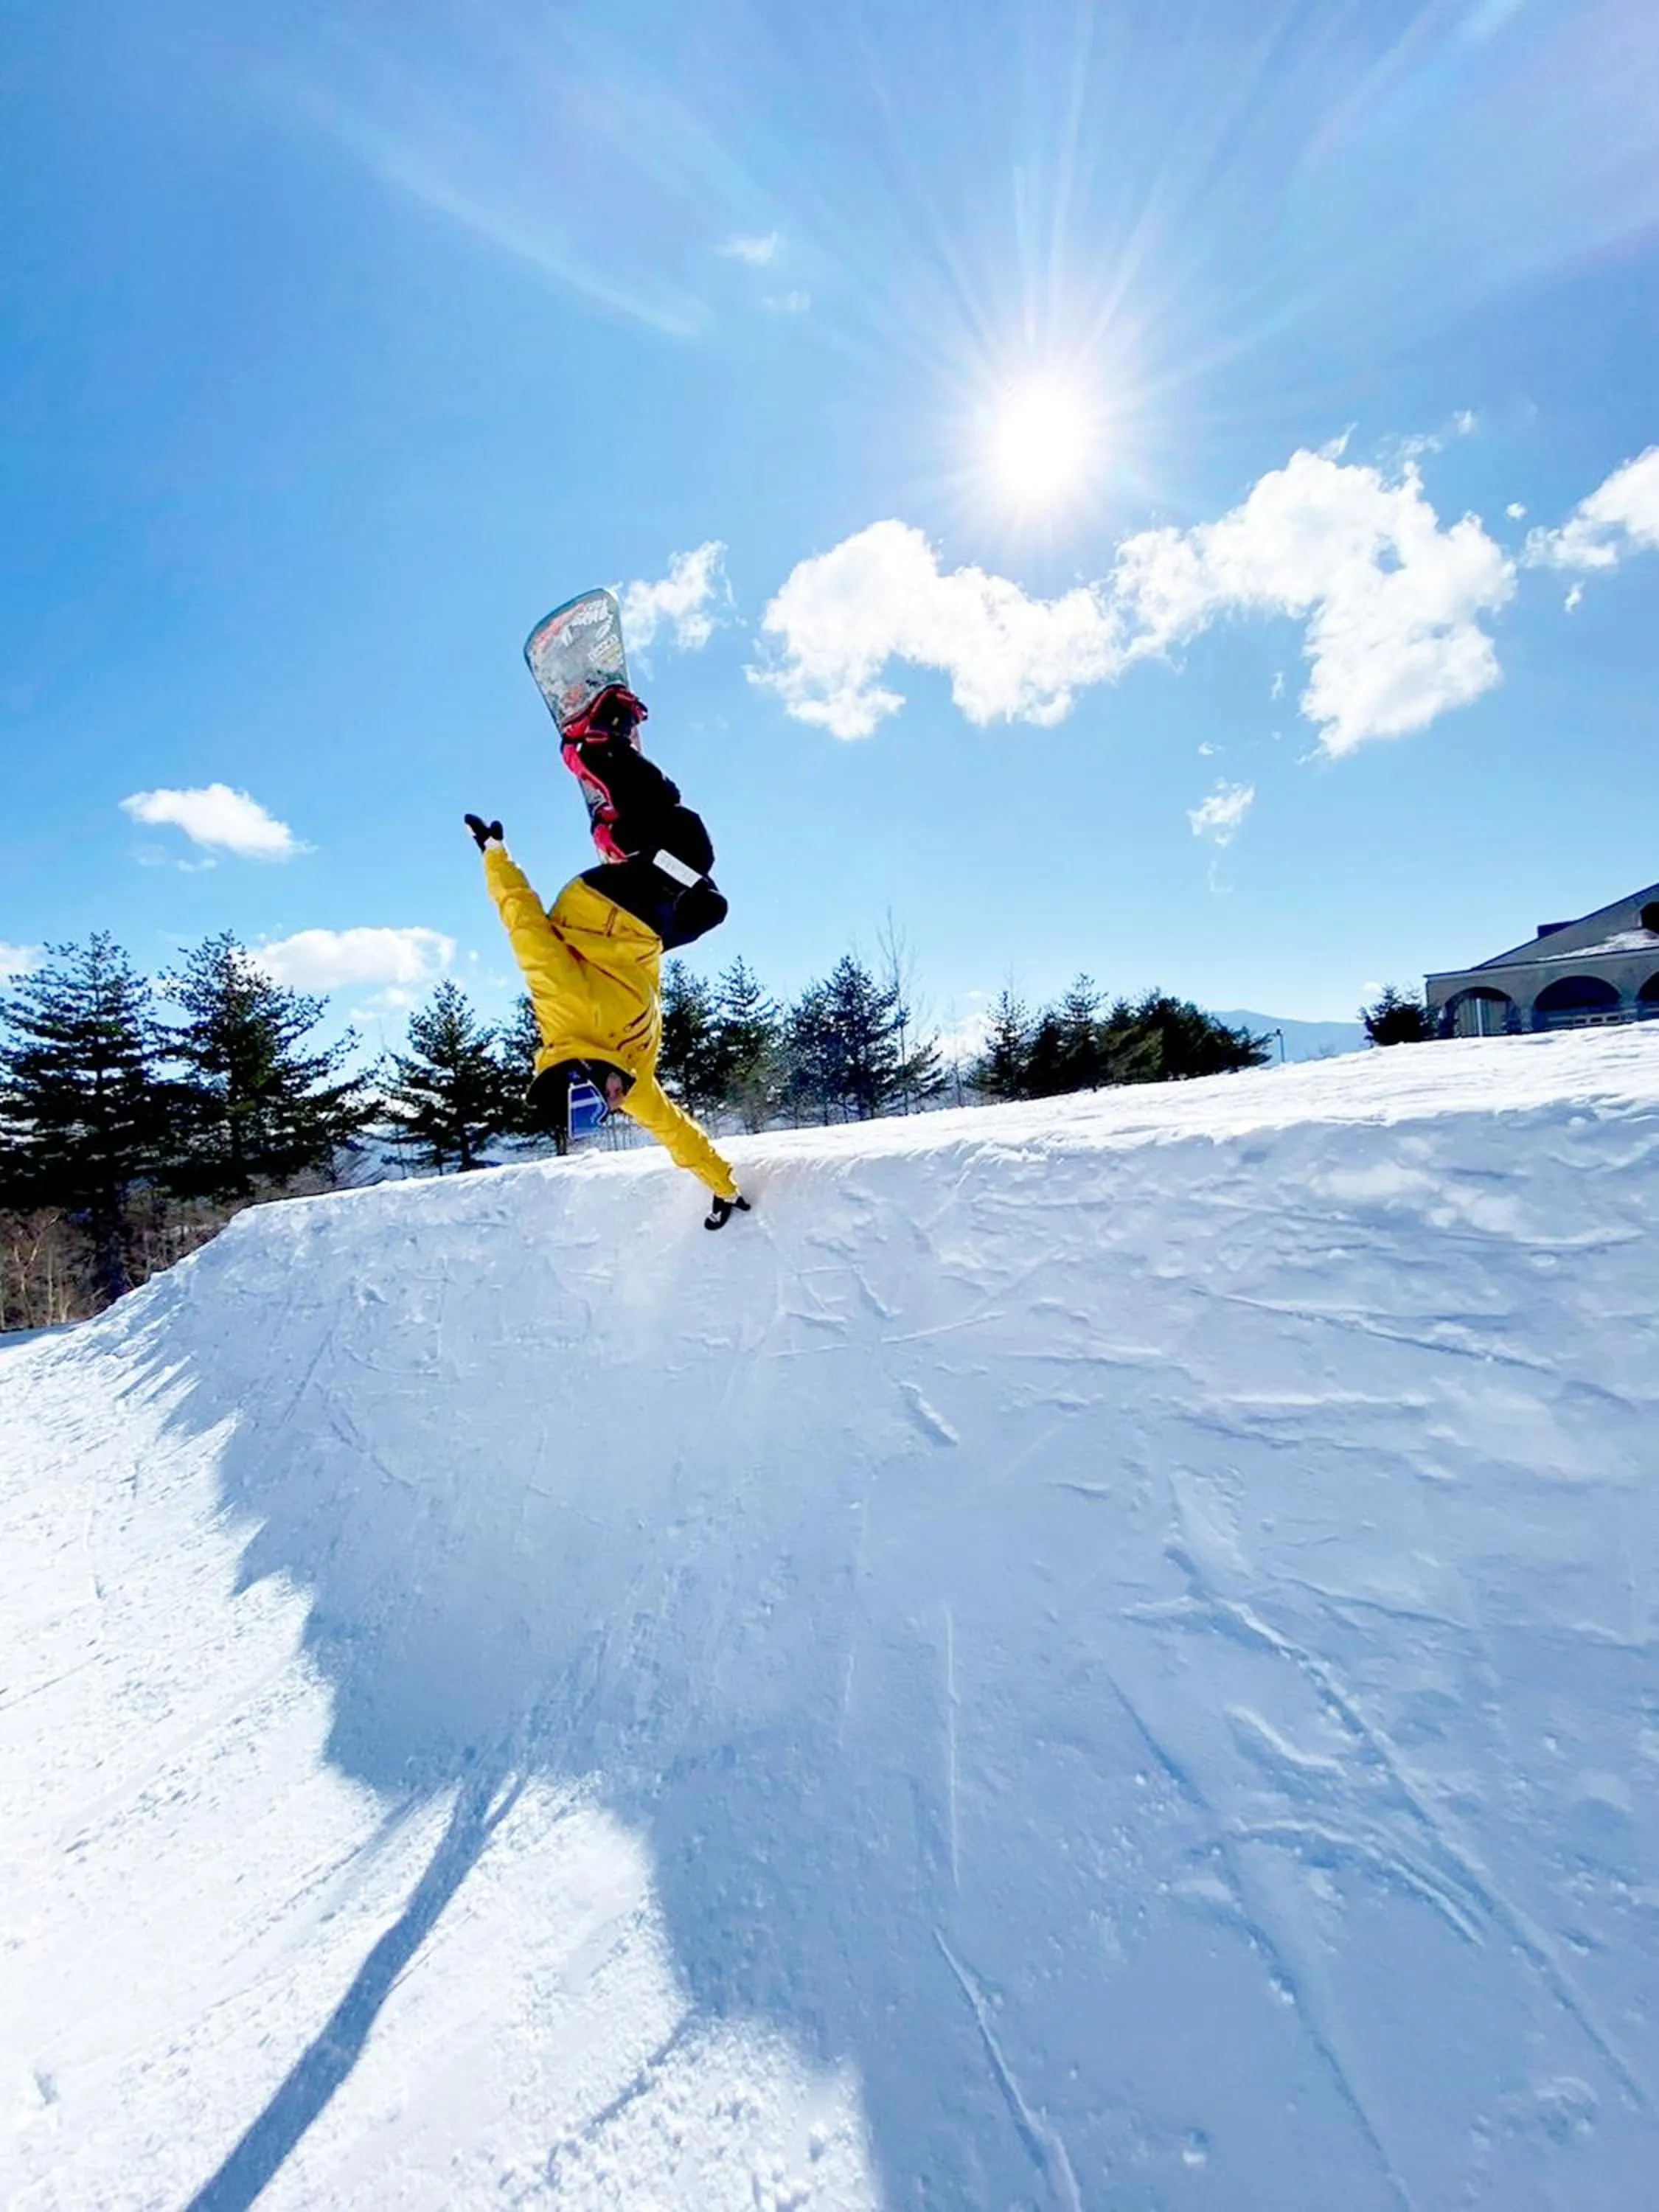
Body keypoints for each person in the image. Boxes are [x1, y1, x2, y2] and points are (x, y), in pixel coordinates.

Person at [465, 684, 751, 1230]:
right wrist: (722, 1185)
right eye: (607, 1109)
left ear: (584, 1074)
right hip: (643, 938)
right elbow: (675, 1132)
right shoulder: (632, 1083)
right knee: (710, 906)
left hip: (602, 910)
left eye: (604, 1098)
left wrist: (496, 860)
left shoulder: (565, 1007)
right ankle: (620, 834)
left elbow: (525, 929)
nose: (617, 1103)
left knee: (691, 849)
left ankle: (593, 747)